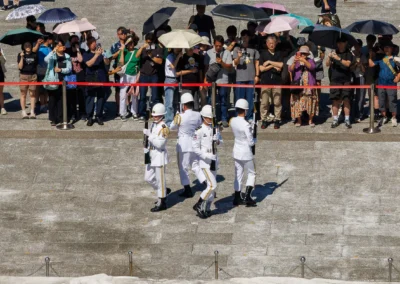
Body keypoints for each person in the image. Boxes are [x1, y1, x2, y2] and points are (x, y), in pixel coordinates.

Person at [170, 93, 202, 198]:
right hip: (194, 143)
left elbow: (172, 127)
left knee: (183, 167)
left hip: (183, 145)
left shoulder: (180, 116)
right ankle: (207, 183)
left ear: (183, 105)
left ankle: (187, 189)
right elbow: (199, 125)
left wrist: (177, 116)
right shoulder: (197, 114)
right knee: (196, 166)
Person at [143, 103, 171, 212]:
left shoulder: (164, 128)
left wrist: (149, 136)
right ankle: (163, 191)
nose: (154, 117)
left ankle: (162, 201)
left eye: (157, 116)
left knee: (160, 180)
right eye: (154, 115)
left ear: (162, 115)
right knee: (148, 178)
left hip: (159, 156)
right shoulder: (154, 124)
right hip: (151, 155)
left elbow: (160, 144)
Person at [192, 105, 218, 218]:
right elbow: (195, 148)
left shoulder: (215, 128)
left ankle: (207, 207)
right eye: (208, 118)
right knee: (212, 185)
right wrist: (207, 156)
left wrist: (217, 140)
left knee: (212, 188)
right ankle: (199, 203)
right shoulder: (199, 131)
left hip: (214, 160)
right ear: (203, 117)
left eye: (211, 118)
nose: (210, 120)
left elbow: (220, 142)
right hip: (205, 162)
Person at [230, 99, 256, 207]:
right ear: (245, 111)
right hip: (246, 152)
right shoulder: (246, 125)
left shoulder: (233, 121)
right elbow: (250, 142)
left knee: (238, 174)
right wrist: (254, 136)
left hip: (236, 151)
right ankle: (247, 196)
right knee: (251, 173)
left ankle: (237, 196)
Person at [326, 37, 355, 128]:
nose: (339, 44)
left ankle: (347, 119)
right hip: (335, 80)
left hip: (346, 80)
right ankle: (335, 119)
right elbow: (327, 65)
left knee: (346, 100)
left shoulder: (348, 53)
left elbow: (348, 64)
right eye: (338, 42)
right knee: (335, 100)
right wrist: (329, 57)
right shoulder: (334, 52)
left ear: (345, 43)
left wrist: (338, 58)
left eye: (341, 42)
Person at [369, 41, 400, 127]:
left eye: (388, 47)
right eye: (385, 47)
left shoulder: (395, 58)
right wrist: (370, 56)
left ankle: (394, 117)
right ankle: (384, 116)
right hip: (381, 83)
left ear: (392, 48)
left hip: (391, 83)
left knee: (392, 101)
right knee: (381, 101)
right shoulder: (380, 58)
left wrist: (398, 77)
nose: (386, 49)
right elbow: (371, 64)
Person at [204, 35, 233, 127]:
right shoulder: (208, 53)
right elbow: (205, 68)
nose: (218, 47)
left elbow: (229, 67)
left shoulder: (227, 52)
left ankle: (224, 118)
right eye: (216, 45)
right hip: (211, 81)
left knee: (223, 100)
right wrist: (205, 80)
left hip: (223, 80)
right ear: (213, 44)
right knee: (211, 100)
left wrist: (221, 63)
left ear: (223, 45)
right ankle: (211, 118)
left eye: (220, 46)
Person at [232, 30, 260, 121]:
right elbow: (235, 63)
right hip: (240, 78)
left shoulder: (253, 49)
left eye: (246, 36)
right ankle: (239, 115)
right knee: (239, 98)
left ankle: (250, 116)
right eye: (243, 36)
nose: (245, 37)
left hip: (251, 77)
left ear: (249, 37)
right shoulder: (237, 49)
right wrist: (239, 56)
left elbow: (256, 62)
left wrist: (257, 75)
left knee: (250, 98)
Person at [44, 40, 72, 126]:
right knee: (52, 99)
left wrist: (61, 70)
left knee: (62, 100)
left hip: (63, 81)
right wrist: (53, 51)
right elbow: (46, 60)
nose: (60, 47)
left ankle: (61, 117)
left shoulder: (67, 56)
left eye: (61, 45)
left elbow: (69, 68)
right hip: (53, 80)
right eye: (58, 45)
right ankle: (53, 118)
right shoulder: (53, 56)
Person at [83, 37, 110, 126]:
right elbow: (88, 64)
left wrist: (104, 55)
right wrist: (96, 55)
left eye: (95, 42)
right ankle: (89, 117)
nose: (94, 44)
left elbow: (107, 63)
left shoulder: (101, 53)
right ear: (88, 45)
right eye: (92, 43)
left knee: (101, 97)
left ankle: (99, 116)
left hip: (101, 77)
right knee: (90, 98)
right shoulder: (86, 54)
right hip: (91, 78)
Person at [258, 36, 284, 129]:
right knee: (264, 102)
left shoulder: (279, 53)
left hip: (277, 81)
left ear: (276, 43)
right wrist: (273, 66)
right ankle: (264, 120)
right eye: (269, 43)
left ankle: (277, 119)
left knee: (277, 102)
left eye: (273, 43)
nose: (271, 45)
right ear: (267, 44)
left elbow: (281, 65)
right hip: (265, 81)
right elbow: (261, 68)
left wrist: (269, 62)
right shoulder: (263, 54)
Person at [289, 46, 318, 127]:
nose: (303, 55)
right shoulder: (296, 60)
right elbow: (290, 69)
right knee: (297, 103)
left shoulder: (310, 60)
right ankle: (299, 120)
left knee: (310, 102)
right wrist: (294, 62)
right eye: (302, 53)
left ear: (307, 54)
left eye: (305, 53)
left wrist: (304, 61)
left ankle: (310, 120)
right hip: (298, 86)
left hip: (309, 85)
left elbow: (312, 67)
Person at [138, 33, 163, 119]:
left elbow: (160, 61)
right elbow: (136, 56)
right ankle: (142, 113)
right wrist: (142, 48)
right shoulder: (143, 49)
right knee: (142, 96)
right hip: (143, 75)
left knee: (155, 96)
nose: (149, 44)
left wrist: (151, 55)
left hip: (154, 75)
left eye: (151, 42)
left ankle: (155, 113)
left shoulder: (158, 48)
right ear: (145, 41)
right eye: (148, 42)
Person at [116, 34, 141, 121]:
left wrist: (138, 76)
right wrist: (122, 51)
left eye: (132, 43)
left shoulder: (137, 51)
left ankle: (134, 112)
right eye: (129, 43)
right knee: (123, 95)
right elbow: (120, 64)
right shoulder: (123, 51)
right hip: (124, 75)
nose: (131, 44)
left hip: (134, 74)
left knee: (134, 95)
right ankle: (122, 113)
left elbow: (139, 65)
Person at [66, 35, 86, 122]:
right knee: (72, 96)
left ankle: (82, 113)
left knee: (82, 95)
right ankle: (73, 113)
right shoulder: (67, 52)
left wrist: (78, 50)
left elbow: (81, 60)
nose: (75, 43)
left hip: (80, 75)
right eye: (73, 41)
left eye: (77, 41)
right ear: (70, 42)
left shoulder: (82, 51)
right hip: (71, 76)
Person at [110, 27, 128, 117]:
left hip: (128, 69)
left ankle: (126, 107)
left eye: (125, 33)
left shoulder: (129, 43)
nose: (124, 35)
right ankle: (118, 107)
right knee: (118, 89)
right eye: (122, 33)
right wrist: (120, 51)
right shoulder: (115, 45)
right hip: (118, 70)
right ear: (118, 34)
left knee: (128, 89)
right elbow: (111, 57)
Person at [18, 42, 38, 119]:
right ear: (23, 46)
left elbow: (36, 65)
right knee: (23, 94)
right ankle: (23, 111)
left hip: (33, 76)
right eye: (26, 45)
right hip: (23, 76)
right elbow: (20, 67)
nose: (27, 47)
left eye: (29, 45)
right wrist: (22, 57)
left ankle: (32, 111)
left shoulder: (34, 55)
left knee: (32, 94)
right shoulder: (20, 54)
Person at [164, 48, 182, 126]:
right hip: (169, 79)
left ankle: (175, 118)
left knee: (175, 101)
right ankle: (168, 121)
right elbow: (173, 66)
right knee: (169, 102)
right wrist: (178, 57)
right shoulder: (169, 56)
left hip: (176, 79)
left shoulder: (178, 56)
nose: (178, 50)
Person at [36, 33, 53, 114]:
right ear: (48, 40)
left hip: (48, 71)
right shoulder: (41, 49)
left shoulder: (49, 48)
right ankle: (42, 104)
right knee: (42, 90)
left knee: (47, 89)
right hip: (42, 71)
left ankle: (46, 103)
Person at [352, 39, 368, 122]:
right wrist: (355, 63)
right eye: (355, 45)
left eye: (358, 46)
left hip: (361, 76)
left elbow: (364, 70)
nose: (356, 47)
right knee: (350, 95)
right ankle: (350, 113)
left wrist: (360, 64)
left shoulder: (363, 55)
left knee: (361, 96)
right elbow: (350, 68)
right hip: (352, 76)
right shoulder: (351, 55)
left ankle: (359, 114)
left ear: (360, 47)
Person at [0, 46, 6, 115]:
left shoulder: (0, 49)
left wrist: (0, 55)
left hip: (0, 72)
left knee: (0, 91)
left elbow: (4, 61)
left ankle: (2, 108)